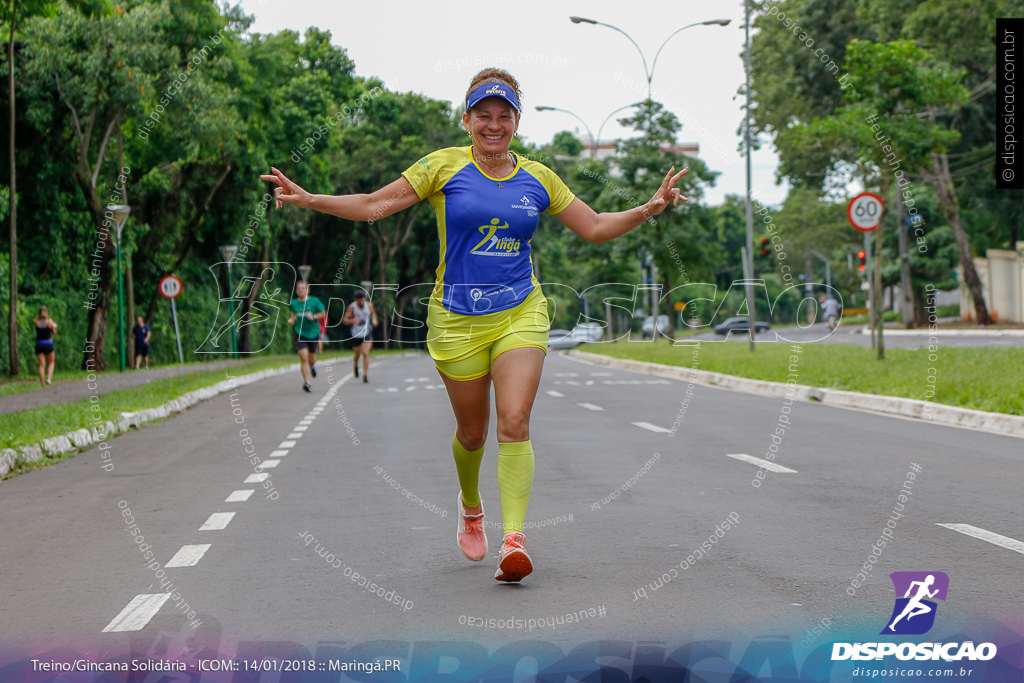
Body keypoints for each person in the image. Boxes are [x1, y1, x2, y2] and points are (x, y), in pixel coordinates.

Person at [261, 68, 687, 582]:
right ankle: (470, 505)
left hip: (520, 311)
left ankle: (514, 540)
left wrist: (649, 208)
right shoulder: (442, 168)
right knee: (472, 431)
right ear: (466, 121)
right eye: (482, 115)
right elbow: (375, 205)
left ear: (516, 123)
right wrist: (311, 199)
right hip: (456, 318)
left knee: (513, 420)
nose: (492, 124)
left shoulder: (538, 178)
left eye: (503, 116)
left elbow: (593, 226)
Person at [287, 280, 325, 392]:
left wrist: (314, 316)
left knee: (311, 358)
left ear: (307, 290)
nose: (300, 290)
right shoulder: (294, 303)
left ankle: (312, 366)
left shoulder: (314, 301)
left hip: (313, 333)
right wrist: (291, 320)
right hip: (300, 333)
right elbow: (293, 315)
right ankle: (307, 382)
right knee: (304, 357)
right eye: (298, 288)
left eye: (302, 288)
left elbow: (323, 313)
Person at [342, 289, 378, 383]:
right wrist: (352, 321)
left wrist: (374, 320)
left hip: (366, 331)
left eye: (362, 300)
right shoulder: (352, 307)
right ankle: (356, 365)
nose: (361, 302)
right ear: (356, 300)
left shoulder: (369, 305)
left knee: (365, 353)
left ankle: (365, 375)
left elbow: (373, 314)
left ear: (364, 299)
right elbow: (345, 319)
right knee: (358, 353)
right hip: (356, 333)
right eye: (359, 300)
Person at [34, 306, 57, 386]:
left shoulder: (36, 322)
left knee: (41, 364)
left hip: (39, 344)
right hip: (48, 344)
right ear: (46, 312)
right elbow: (54, 332)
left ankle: (42, 382)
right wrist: (53, 325)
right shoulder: (50, 321)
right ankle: (49, 379)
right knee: (51, 362)